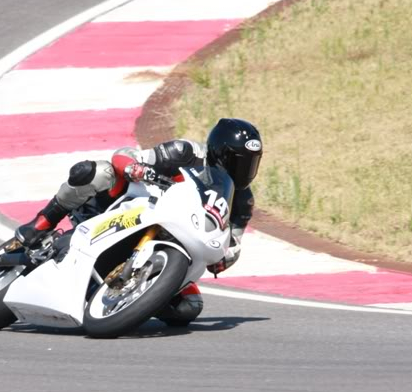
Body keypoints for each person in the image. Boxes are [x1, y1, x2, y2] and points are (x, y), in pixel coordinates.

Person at [14, 118, 263, 320]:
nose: (245, 170)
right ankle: (41, 224)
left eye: (251, 163)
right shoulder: (187, 152)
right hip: (134, 207)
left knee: (188, 308)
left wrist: (226, 257)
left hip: (181, 243)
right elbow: (126, 155)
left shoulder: (242, 202)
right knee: (96, 172)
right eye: (238, 161)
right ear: (219, 152)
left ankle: (127, 301)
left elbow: (233, 242)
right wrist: (136, 168)